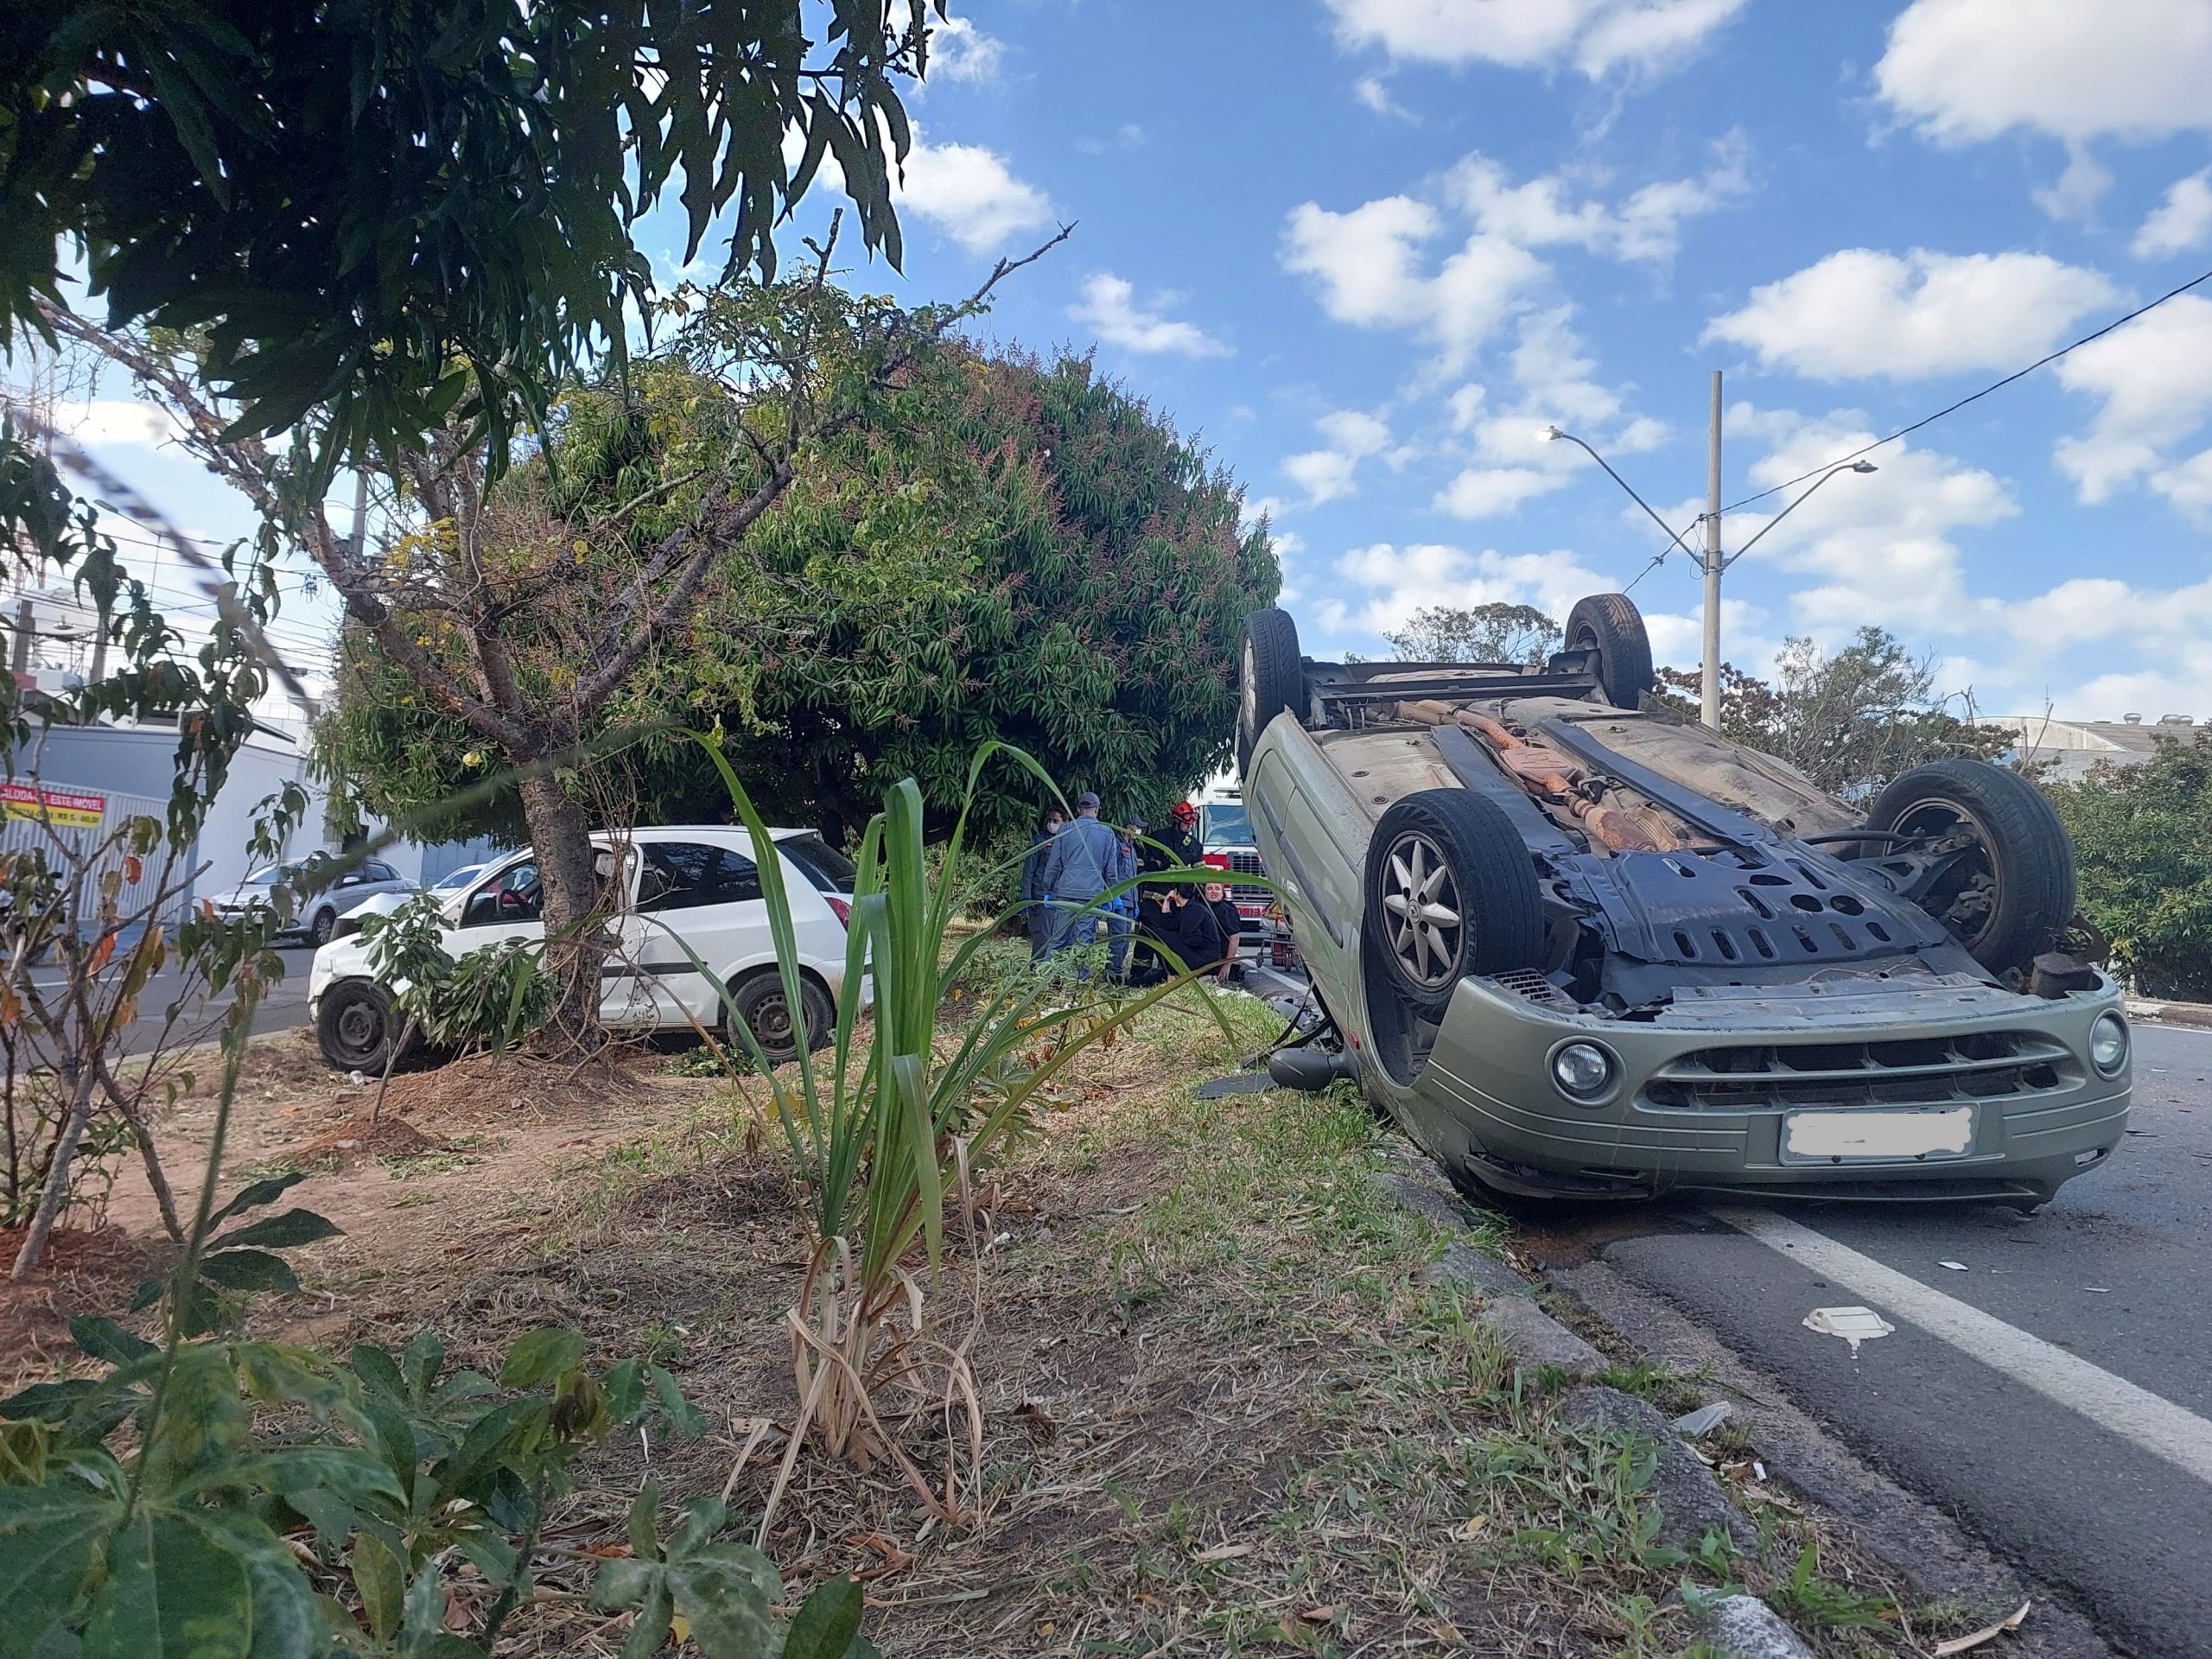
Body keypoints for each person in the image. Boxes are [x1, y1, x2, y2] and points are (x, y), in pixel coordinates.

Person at [1039, 791, 1123, 976]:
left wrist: (1048, 888)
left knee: (1057, 940)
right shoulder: (1107, 832)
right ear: (1097, 810)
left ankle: (1043, 983)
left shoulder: (1065, 829)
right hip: (1091, 895)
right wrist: (1113, 895)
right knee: (1083, 941)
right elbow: (1111, 871)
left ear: (1078, 809)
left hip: (1066, 891)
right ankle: (1074, 988)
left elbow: (1054, 863)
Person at [1127, 884, 1227, 986]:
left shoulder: (1194, 909)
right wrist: (1166, 902)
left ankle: (1171, 973)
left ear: (1175, 892)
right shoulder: (1188, 908)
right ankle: (1142, 980)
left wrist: (1177, 939)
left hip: (1204, 960)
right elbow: (1168, 925)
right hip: (1198, 956)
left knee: (1158, 934)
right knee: (1161, 934)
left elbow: (1194, 939)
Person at [1020, 806, 1066, 959]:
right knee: (1043, 937)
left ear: (1064, 822)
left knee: (1058, 937)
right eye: (1050, 820)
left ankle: (1052, 972)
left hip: (1060, 896)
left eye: (1056, 821)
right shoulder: (1040, 841)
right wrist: (1026, 896)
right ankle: (1037, 970)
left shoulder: (1066, 842)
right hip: (1041, 896)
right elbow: (1029, 870)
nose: (1052, 823)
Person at [1107, 817, 1141, 980]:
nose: (1139, 831)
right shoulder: (1116, 846)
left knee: (1126, 942)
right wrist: (1114, 897)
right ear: (1128, 827)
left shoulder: (1132, 848)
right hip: (1119, 901)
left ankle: (1118, 972)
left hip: (1130, 902)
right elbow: (1112, 873)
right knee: (1118, 940)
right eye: (1137, 827)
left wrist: (1135, 903)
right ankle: (1112, 975)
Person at [1202, 879, 1246, 983]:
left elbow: (1234, 939)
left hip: (1220, 956)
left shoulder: (1228, 910)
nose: (1213, 891)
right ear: (1204, 892)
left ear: (1223, 892)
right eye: (1210, 888)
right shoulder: (1199, 907)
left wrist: (1227, 965)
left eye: (1217, 888)